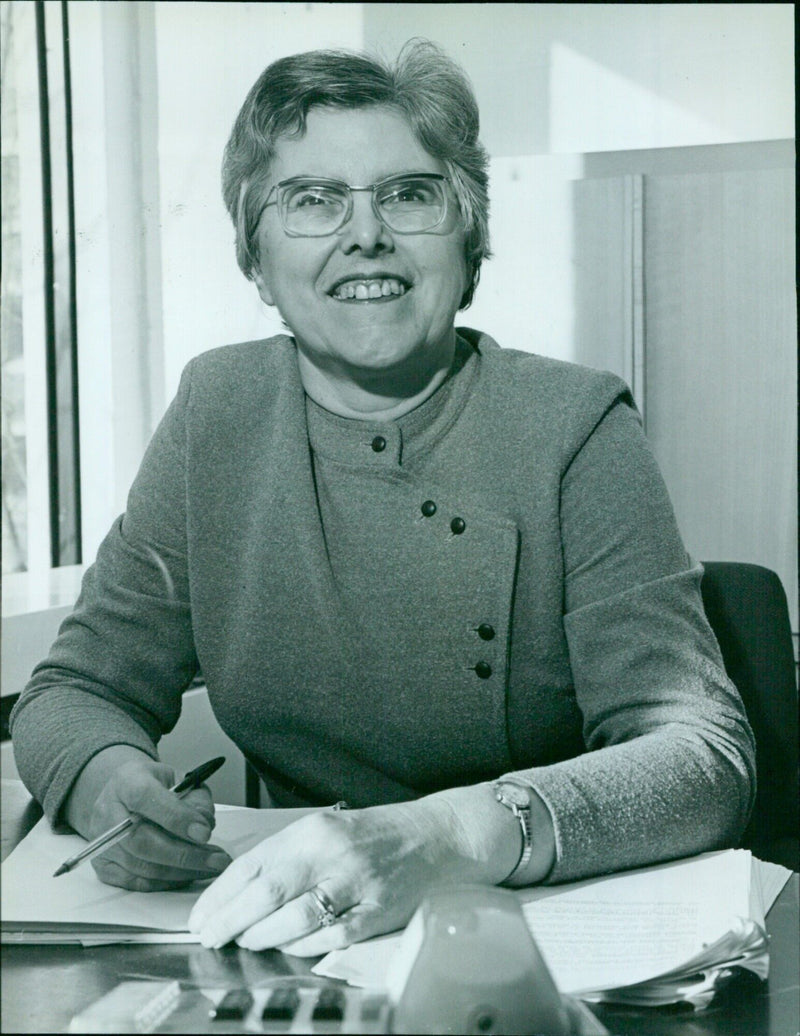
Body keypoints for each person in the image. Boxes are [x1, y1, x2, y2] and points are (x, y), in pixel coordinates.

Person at [10, 39, 755, 957]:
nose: (367, 234)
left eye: (408, 193)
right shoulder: (220, 409)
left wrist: (451, 836)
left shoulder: (573, 422)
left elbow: (702, 757)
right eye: (314, 200)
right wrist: (106, 781)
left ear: (468, 234)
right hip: (290, 942)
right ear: (255, 253)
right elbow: (74, 687)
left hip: (528, 938)